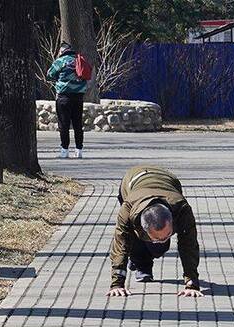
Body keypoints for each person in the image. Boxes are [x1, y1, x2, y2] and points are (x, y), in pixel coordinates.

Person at [107, 166, 203, 297]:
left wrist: (192, 283)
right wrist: (117, 283)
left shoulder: (182, 209)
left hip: (168, 181)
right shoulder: (128, 208)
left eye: (168, 235)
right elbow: (121, 241)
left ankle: (140, 258)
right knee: (133, 238)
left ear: (172, 221)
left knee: (159, 248)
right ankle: (141, 264)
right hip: (132, 181)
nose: (161, 240)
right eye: (157, 237)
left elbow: (189, 244)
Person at [46, 42, 87, 159]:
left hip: (64, 97)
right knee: (77, 124)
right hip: (79, 96)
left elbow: (49, 74)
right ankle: (79, 150)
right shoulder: (80, 60)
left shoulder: (61, 61)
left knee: (64, 124)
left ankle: (65, 150)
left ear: (62, 51)